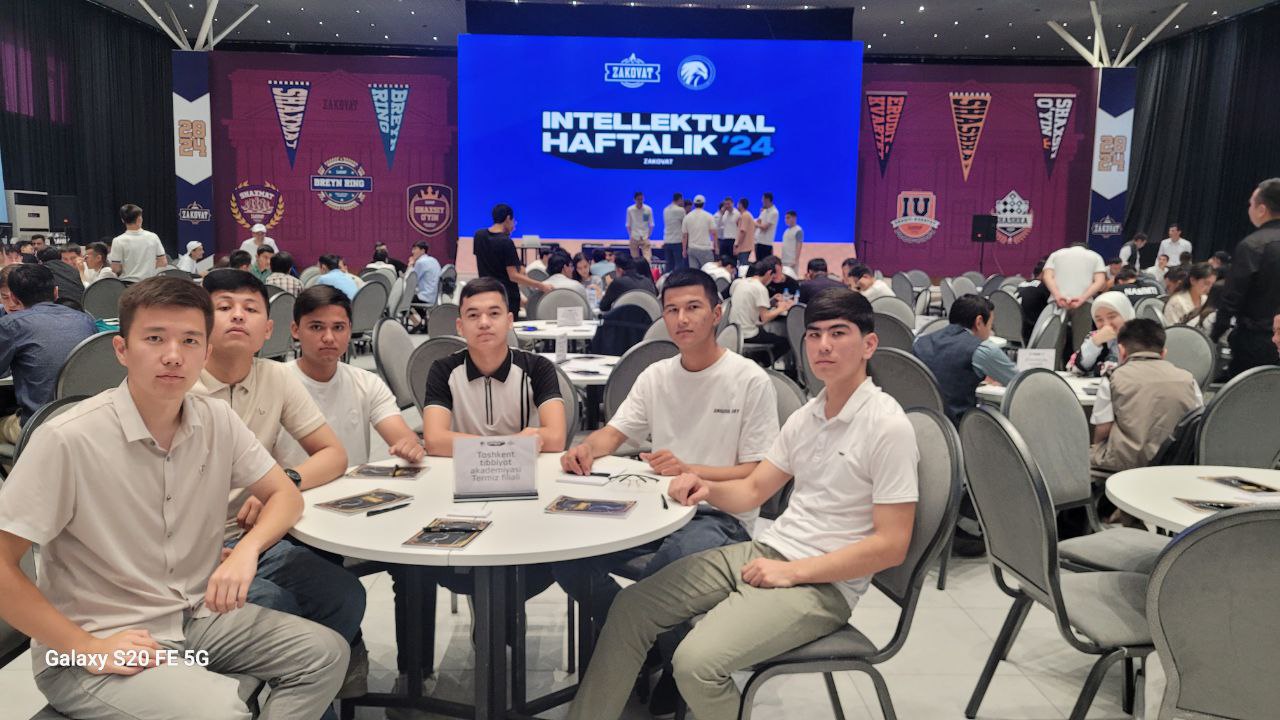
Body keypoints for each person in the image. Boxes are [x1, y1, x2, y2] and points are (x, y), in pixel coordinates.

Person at [0, 276, 347, 720]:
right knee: (222, 711)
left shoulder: (216, 419)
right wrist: (85, 647)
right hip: (94, 642)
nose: (173, 355)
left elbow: (285, 495)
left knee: (325, 654)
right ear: (122, 350)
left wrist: (247, 550)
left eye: (189, 341)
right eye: (154, 338)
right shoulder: (69, 438)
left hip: (192, 619)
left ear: (205, 352)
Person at [566, 288, 919, 720]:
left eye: (838, 333)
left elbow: (891, 546)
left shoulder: (887, 426)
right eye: (814, 335)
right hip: (767, 551)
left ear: (869, 344)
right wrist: (703, 487)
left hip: (824, 584)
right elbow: (752, 490)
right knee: (631, 609)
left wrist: (792, 572)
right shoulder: (808, 416)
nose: (823, 345)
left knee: (695, 664)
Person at [556, 269, 779, 714]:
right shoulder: (657, 375)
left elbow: (757, 473)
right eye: (672, 310)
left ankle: (650, 649)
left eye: (693, 308)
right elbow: (614, 433)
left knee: (663, 574)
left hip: (721, 516)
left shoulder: (749, 380)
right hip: (655, 508)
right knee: (568, 555)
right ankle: (653, 645)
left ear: (716, 313)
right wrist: (585, 450)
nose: (682, 319)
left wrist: (691, 470)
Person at [191, 270, 366, 701]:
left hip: (254, 537)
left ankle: (301, 692)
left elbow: (333, 454)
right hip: (188, 553)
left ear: (267, 330)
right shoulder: (179, 384)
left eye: (250, 308)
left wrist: (284, 481)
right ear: (200, 322)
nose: (238, 316)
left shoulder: (274, 377)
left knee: (344, 595)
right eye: (224, 306)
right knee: (277, 605)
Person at [275, 286, 424, 469]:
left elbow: (403, 437)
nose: (329, 337)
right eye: (316, 327)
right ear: (295, 330)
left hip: (352, 485)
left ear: (350, 330)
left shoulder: (367, 383)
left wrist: (410, 445)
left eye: (338, 327)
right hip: (294, 484)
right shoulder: (275, 383)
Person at [421, 277, 566, 456]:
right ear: (460, 326)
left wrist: (479, 446)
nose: (484, 323)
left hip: (524, 468)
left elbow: (556, 437)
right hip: (466, 470)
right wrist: (512, 444)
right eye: (473, 315)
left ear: (509, 321)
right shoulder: (443, 371)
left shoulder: (537, 367)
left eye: (494, 313)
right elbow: (434, 440)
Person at [1089, 319, 1203, 476]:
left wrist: (1097, 449)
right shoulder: (1188, 379)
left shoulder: (1113, 377)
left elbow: (1103, 428)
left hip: (1124, 465)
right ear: (1163, 353)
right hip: (1174, 465)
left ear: (1121, 350)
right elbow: (1196, 423)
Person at [0, 264, 97, 443]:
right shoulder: (85, 319)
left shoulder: (12, 325)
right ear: (56, 292)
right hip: (87, 421)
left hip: (41, 426)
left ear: (13, 297)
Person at [1211, 178, 1280, 376]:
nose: (1249, 208)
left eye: (1251, 204)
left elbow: (1231, 299)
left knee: (1249, 392)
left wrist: (1213, 337)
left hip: (1256, 344)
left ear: (1261, 209)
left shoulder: (1253, 246)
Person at [912, 294, 1019, 422]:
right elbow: (1021, 383)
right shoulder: (982, 349)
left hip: (918, 421)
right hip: (957, 427)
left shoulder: (919, 342)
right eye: (990, 326)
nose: (990, 333)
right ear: (979, 322)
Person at [473, 203, 550, 313]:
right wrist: (540, 285)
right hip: (506, 297)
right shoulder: (506, 242)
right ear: (508, 218)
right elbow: (513, 276)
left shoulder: (479, 236)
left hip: (486, 293)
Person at [729, 260, 795, 362]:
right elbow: (765, 318)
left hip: (734, 330)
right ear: (769, 273)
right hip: (748, 333)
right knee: (785, 342)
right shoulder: (760, 288)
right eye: (772, 277)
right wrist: (781, 308)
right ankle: (762, 362)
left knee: (764, 332)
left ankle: (756, 359)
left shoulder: (739, 282)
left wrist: (771, 302)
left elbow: (750, 304)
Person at [1070, 290, 1135, 376]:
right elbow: (1076, 369)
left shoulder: (1142, 337)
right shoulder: (1094, 336)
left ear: (1126, 314)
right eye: (1099, 319)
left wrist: (1098, 369)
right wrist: (1094, 344)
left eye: (1112, 317)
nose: (1106, 324)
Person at [109, 204, 166, 282]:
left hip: (128, 284)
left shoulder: (118, 240)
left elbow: (115, 268)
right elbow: (163, 262)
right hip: (150, 283)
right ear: (139, 219)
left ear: (122, 220)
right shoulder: (153, 237)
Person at [1043, 242, 1107, 310]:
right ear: (1087, 249)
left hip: (1057, 302)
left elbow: (1047, 277)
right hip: (1085, 303)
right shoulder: (1096, 256)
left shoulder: (1056, 254)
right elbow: (1100, 281)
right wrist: (1082, 298)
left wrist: (1057, 296)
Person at [1163, 262, 1217, 327]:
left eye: (1212, 284)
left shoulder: (1205, 299)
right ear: (1193, 280)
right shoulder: (1176, 302)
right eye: (1206, 283)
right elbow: (1171, 329)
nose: (1209, 288)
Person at [1017, 259, 1051, 344]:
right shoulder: (1044, 287)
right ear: (1043, 273)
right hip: (1032, 333)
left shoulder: (1021, 284)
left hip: (1015, 330)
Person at [682, 194, 718, 271]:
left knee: (694, 272)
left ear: (694, 204)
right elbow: (714, 233)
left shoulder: (687, 217)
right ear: (704, 204)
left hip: (692, 249)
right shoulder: (709, 216)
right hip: (705, 249)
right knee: (708, 271)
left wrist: (684, 250)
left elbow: (685, 235)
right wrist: (716, 247)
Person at [626, 191, 654, 261]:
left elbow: (651, 224)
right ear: (635, 199)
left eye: (641, 199)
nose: (640, 201)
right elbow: (628, 224)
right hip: (634, 237)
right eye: (638, 199)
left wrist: (648, 236)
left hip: (645, 237)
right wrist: (631, 236)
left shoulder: (648, 209)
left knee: (647, 260)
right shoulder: (630, 210)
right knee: (635, 260)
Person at [662, 192, 687, 272]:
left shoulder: (665, 210)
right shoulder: (681, 210)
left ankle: (666, 278)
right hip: (677, 241)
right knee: (679, 265)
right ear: (679, 199)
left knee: (669, 265)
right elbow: (685, 224)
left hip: (667, 241)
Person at [754, 192, 779, 261]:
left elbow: (765, 227)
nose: (762, 201)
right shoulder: (764, 211)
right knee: (758, 263)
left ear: (767, 200)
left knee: (766, 264)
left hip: (766, 243)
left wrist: (754, 223)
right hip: (758, 241)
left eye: (763, 199)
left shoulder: (774, 212)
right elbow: (759, 221)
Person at [734, 197, 755, 267]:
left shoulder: (745, 215)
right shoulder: (746, 215)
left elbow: (743, 231)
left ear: (741, 205)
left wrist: (737, 245)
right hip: (745, 247)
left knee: (743, 267)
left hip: (744, 247)